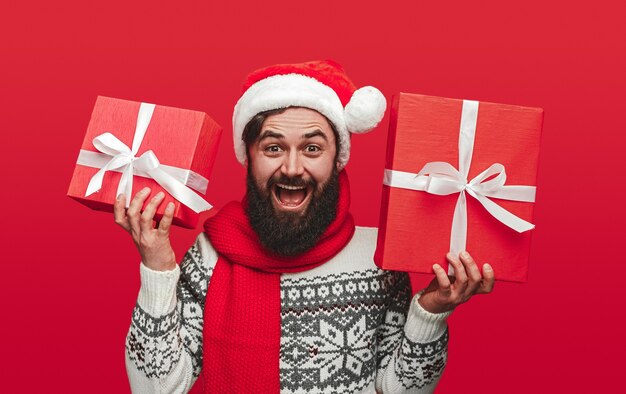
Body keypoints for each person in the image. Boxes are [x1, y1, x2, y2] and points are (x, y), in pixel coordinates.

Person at [118, 60, 494, 393]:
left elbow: (399, 389)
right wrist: (158, 266)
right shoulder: (208, 257)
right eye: (273, 148)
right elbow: (156, 388)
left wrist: (430, 312)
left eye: (312, 148)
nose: (293, 168)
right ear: (248, 157)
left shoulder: (378, 258)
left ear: (337, 159)